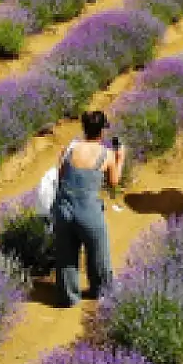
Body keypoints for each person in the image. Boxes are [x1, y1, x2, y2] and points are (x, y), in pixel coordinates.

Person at [52, 110, 125, 307]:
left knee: (66, 256)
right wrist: (120, 158)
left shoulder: (69, 148)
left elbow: (60, 175)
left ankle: (68, 297)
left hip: (63, 209)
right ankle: (100, 291)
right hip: (88, 212)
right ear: (101, 132)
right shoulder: (106, 154)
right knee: (98, 254)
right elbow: (113, 182)